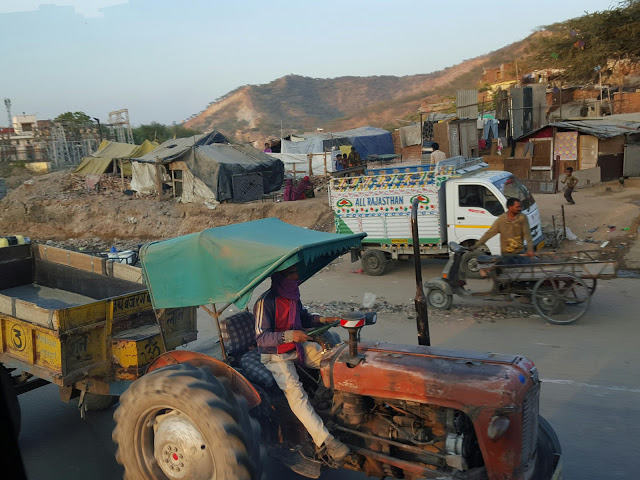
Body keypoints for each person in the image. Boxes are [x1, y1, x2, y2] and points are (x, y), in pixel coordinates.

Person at [254, 264, 350, 462]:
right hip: (275, 354)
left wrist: (326, 319)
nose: (297, 277)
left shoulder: (292, 296)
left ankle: (327, 396)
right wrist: (290, 335)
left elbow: (304, 318)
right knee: (296, 395)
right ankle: (327, 442)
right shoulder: (265, 301)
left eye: (297, 272)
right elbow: (262, 338)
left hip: (296, 348)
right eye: (292, 273)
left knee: (334, 359)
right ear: (280, 276)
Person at [471, 197, 534, 264]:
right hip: (507, 253)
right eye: (517, 207)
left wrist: (530, 249)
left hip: (520, 251)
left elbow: (527, 234)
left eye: (520, 207)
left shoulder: (522, 218)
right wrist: (476, 246)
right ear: (509, 207)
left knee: (527, 266)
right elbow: (488, 234)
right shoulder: (501, 220)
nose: (519, 209)